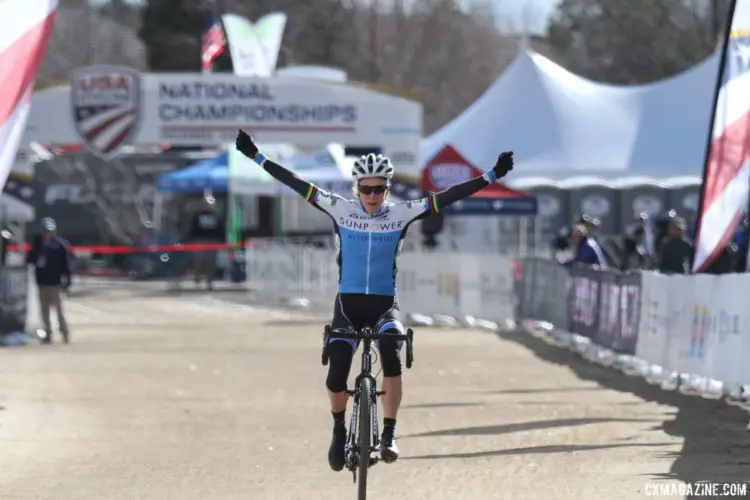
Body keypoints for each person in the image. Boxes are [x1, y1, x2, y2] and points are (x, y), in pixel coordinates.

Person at [234, 129, 514, 470]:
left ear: (387, 189)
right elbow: (294, 182)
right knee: (336, 376)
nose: (372, 195)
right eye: (366, 189)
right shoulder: (339, 209)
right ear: (356, 188)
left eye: (379, 189)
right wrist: (256, 156)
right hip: (348, 306)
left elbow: (449, 196)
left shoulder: (401, 213)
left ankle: (389, 434)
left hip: (384, 305)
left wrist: (492, 175)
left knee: (392, 347)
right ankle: (339, 430)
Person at [25, 217, 72, 344]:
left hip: (55, 283)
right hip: (42, 283)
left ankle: (64, 333)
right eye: (45, 230)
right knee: (44, 312)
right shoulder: (37, 245)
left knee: (59, 311)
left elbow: (65, 264)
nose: (47, 233)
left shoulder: (60, 246)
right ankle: (48, 334)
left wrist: (67, 280)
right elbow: (30, 260)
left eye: (49, 230)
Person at [184, 194, 225, 290]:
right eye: (206, 203)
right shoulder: (198, 215)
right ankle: (197, 275)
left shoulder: (216, 216)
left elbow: (220, 229)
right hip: (200, 241)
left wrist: (222, 240)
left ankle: (210, 282)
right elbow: (193, 228)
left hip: (213, 241)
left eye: (210, 203)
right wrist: (191, 238)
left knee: (211, 262)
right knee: (199, 260)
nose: (208, 205)